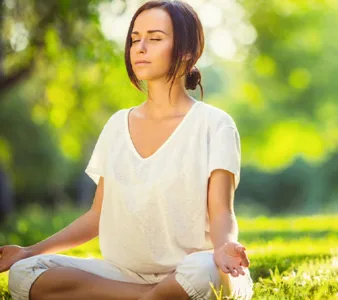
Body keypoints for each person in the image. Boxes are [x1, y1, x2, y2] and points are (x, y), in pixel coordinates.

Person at [0, 1, 254, 299]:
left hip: (192, 269)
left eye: (155, 38)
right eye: (135, 39)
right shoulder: (117, 125)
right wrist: (30, 250)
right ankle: (152, 295)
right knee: (23, 273)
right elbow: (98, 214)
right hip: (122, 273)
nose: (140, 47)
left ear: (187, 51)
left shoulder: (215, 124)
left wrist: (224, 248)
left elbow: (222, 209)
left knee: (204, 274)